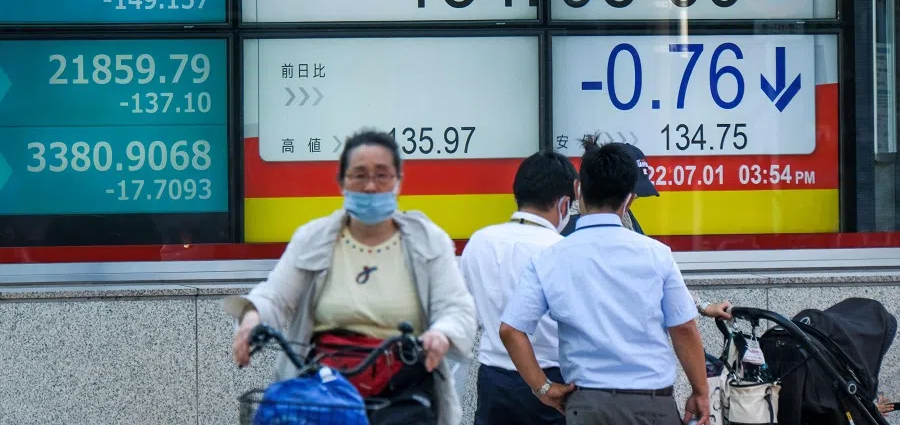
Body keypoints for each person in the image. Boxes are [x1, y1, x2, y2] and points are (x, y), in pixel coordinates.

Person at [225, 129, 477, 425]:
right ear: (342, 182)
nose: (371, 186)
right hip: (325, 388)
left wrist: (441, 334)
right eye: (359, 175)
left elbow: (457, 308)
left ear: (398, 181)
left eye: (382, 175)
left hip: (401, 389)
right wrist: (253, 317)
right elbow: (275, 295)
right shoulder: (314, 238)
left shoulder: (427, 241)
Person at [499, 140, 711, 425]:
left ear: (577, 190)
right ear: (630, 199)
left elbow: (511, 330)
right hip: (652, 405)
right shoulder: (656, 254)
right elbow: (684, 327)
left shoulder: (550, 257)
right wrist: (700, 391)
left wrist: (543, 388)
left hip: (586, 407)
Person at [460, 150, 578, 425]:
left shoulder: (479, 242)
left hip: (493, 379)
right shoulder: (561, 251)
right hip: (550, 379)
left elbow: (469, 315)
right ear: (563, 204)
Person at [566, 138, 733, 321]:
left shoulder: (625, 219)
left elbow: (662, 279)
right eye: (631, 192)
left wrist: (703, 305)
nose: (634, 197)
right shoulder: (569, 231)